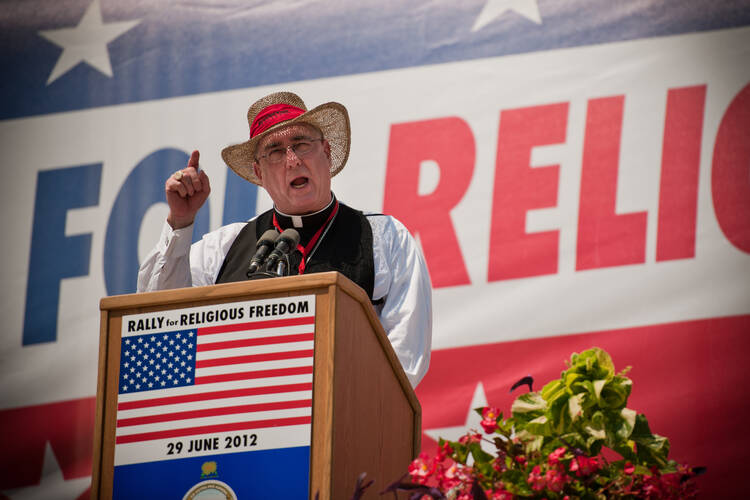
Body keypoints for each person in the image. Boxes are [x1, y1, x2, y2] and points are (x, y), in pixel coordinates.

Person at [137, 91, 432, 387]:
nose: (292, 161)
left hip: (344, 421)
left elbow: (403, 361)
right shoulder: (224, 248)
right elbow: (157, 320)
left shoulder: (385, 238)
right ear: (258, 172)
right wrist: (180, 222)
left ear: (327, 153)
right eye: (275, 151)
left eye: (301, 144)